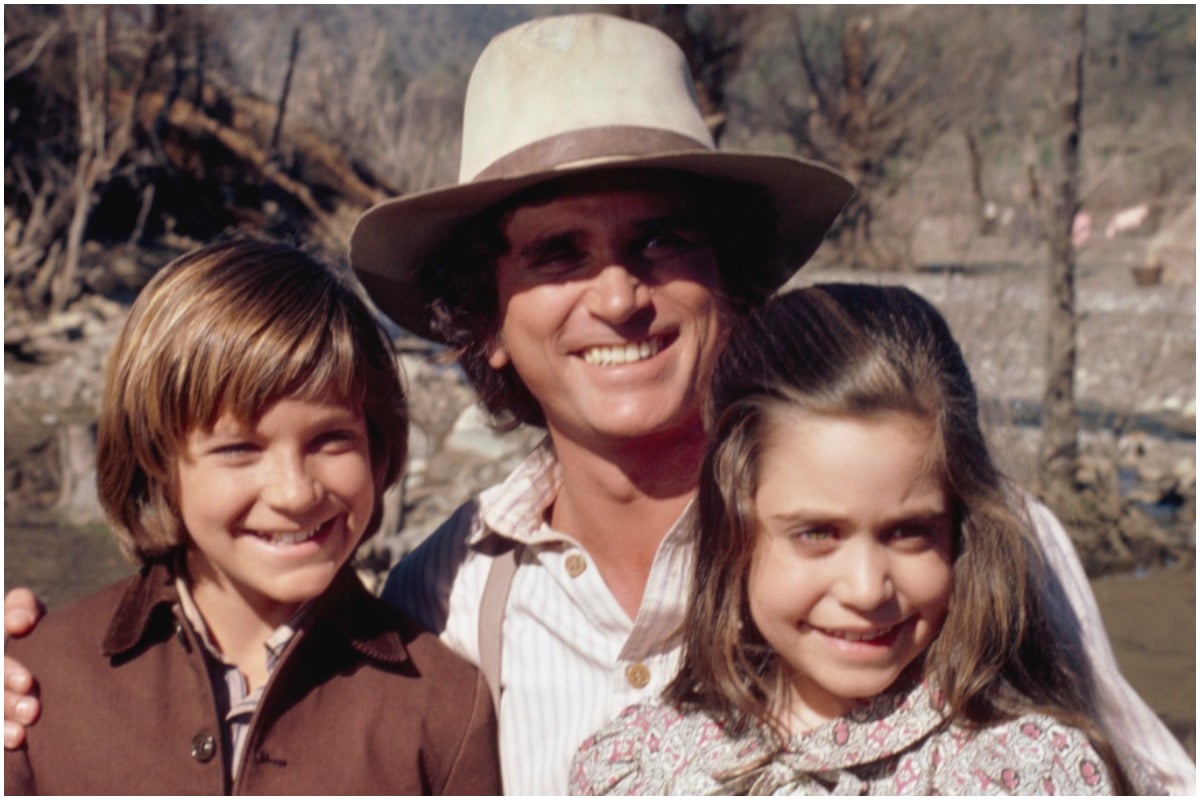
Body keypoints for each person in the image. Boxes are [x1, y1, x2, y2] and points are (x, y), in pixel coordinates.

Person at [5, 13, 1193, 795]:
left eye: (661, 240)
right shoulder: (448, 591)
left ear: (726, 271)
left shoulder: (960, 533)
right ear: (489, 315)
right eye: (557, 254)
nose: (616, 295)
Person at [570, 284, 1131, 795]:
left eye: (909, 533)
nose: (866, 590)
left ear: (961, 530)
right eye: (816, 533)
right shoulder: (639, 770)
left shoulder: (1029, 773)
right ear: (734, 529)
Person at [3, 240, 500, 795]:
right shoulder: (38, 683)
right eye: (239, 449)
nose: (294, 492)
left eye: (331, 439)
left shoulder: (446, 710)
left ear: (378, 451)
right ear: (158, 463)